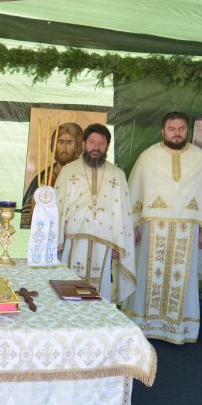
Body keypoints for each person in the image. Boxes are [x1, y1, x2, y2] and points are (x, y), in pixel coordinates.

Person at [127, 112, 202, 343]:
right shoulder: (147, 157)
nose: (176, 133)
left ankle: (179, 329)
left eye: (180, 128)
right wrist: (134, 226)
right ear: (163, 131)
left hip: (187, 231)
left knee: (184, 279)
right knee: (147, 274)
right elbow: (135, 192)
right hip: (151, 229)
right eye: (171, 128)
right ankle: (144, 325)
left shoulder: (200, 158)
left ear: (186, 130)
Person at [53, 124, 135, 304]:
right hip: (72, 241)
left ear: (107, 146)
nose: (96, 147)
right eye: (92, 142)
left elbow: (123, 214)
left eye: (101, 143)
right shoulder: (68, 172)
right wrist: (57, 240)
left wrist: (118, 243)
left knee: (101, 295)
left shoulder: (117, 175)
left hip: (104, 244)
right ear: (83, 144)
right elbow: (57, 209)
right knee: (69, 289)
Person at [21, 122, 83, 229]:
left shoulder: (83, 177)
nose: (64, 148)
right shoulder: (42, 178)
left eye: (69, 143)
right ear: (54, 146)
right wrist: (30, 215)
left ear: (77, 147)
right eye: (60, 142)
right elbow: (26, 214)